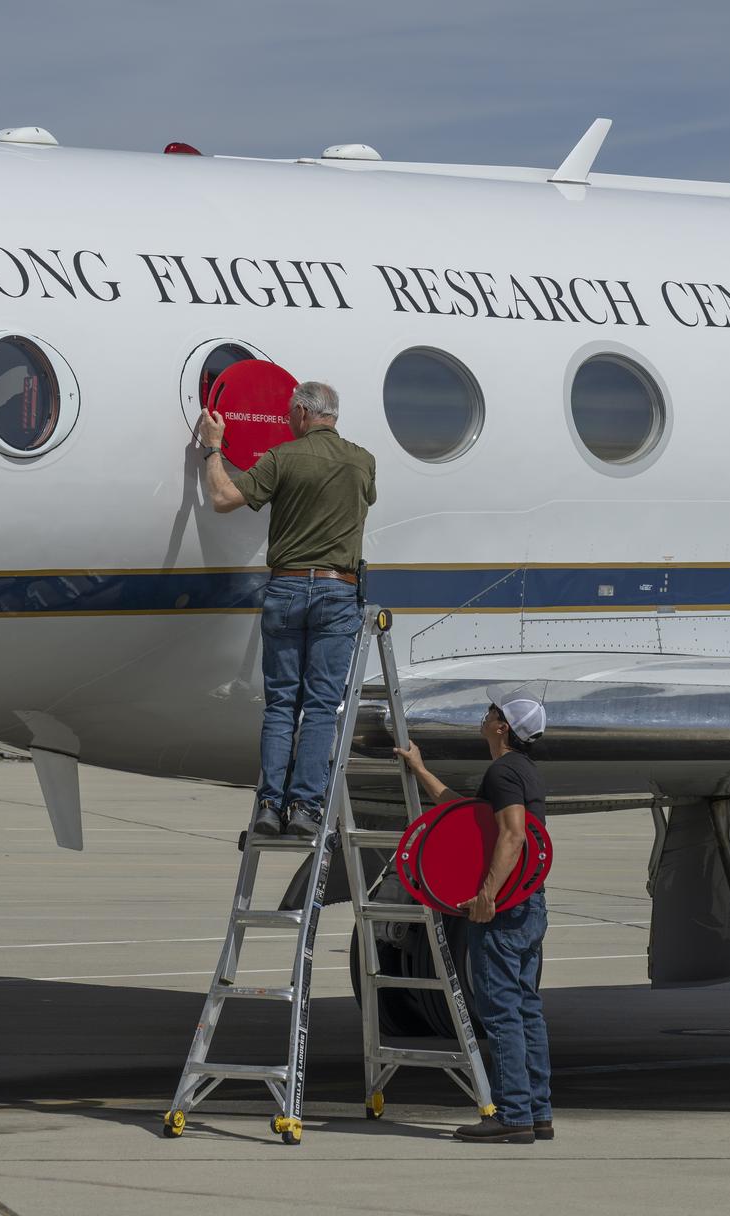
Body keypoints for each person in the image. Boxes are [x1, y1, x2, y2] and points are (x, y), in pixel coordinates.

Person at [196, 380, 376, 839]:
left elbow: (223, 499)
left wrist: (212, 450)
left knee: (280, 705)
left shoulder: (282, 458)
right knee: (320, 707)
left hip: (288, 589)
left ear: (300, 413)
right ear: (332, 416)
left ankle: (270, 806)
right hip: (339, 592)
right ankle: (306, 808)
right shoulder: (363, 462)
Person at [395, 687, 552, 1144]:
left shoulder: (503, 771)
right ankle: (537, 1113)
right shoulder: (522, 770)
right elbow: (463, 814)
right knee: (526, 1010)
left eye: (491, 712)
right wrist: (420, 769)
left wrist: (487, 895)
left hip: (503, 912)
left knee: (501, 1012)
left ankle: (512, 1116)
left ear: (502, 727)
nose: (484, 716)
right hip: (530, 905)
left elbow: (512, 835)